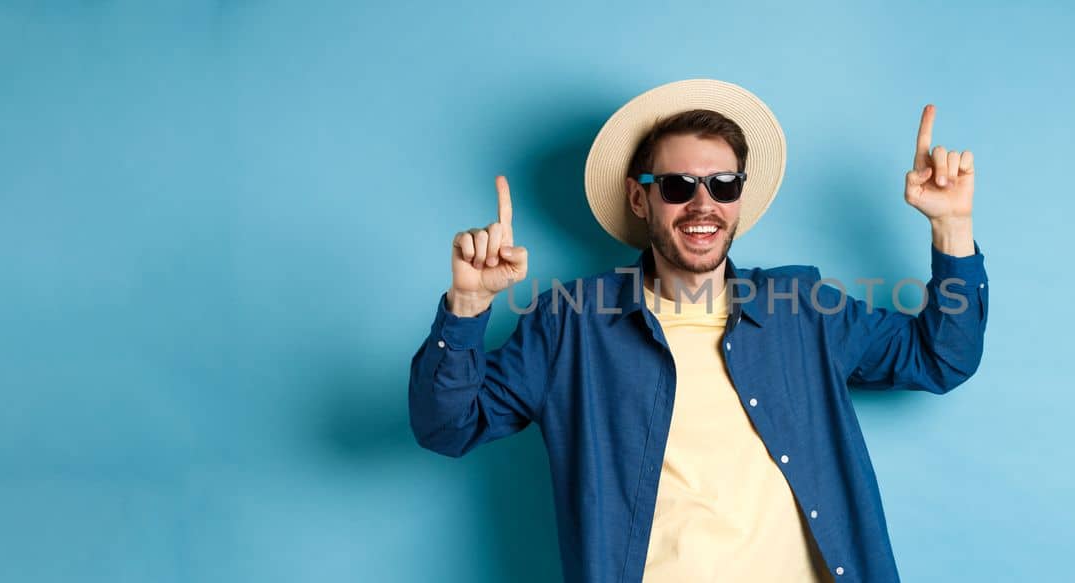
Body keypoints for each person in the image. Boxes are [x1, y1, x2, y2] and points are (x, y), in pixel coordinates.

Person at [409, 79, 988, 582]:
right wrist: (466, 305)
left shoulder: (802, 309)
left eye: (723, 185)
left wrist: (952, 227)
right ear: (640, 197)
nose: (702, 205)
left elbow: (941, 357)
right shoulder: (571, 325)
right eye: (678, 186)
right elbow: (447, 426)